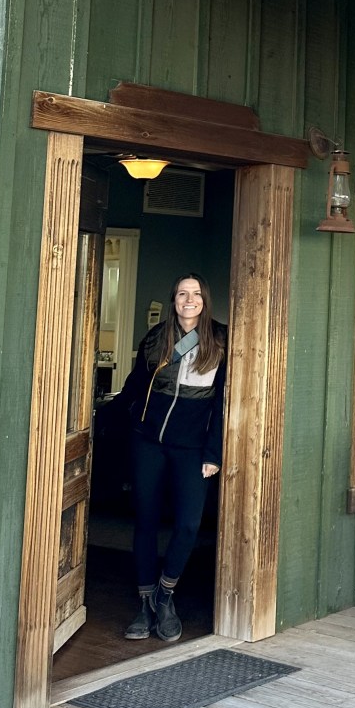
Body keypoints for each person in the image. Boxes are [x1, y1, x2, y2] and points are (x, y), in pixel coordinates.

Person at [110, 274, 227, 643]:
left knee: (189, 524)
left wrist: (214, 451)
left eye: (195, 294)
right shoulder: (156, 337)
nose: (188, 300)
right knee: (144, 521)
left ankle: (165, 594)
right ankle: (145, 604)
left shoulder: (222, 340)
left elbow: (225, 402)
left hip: (192, 448)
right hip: (148, 442)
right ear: (173, 299)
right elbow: (133, 386)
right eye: (181, 294)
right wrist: (108, 419)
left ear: (204, 300)